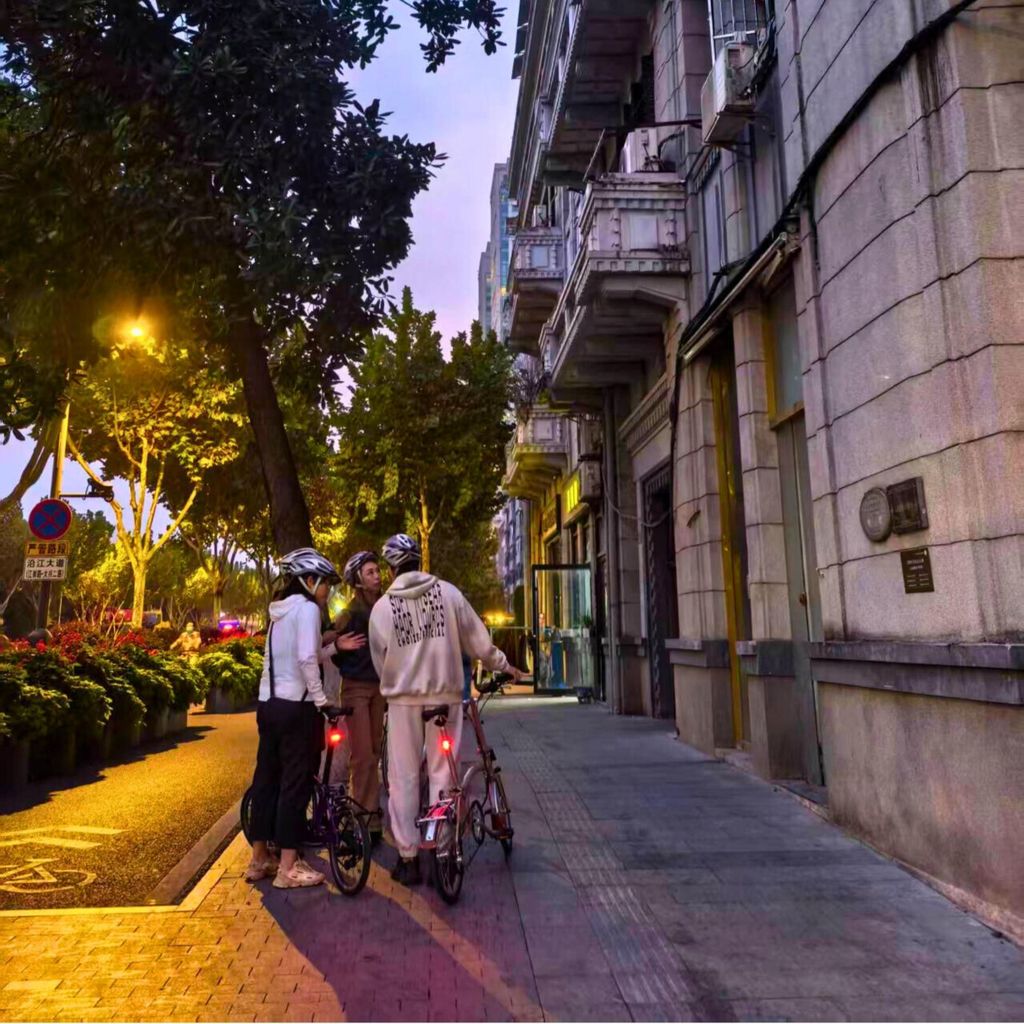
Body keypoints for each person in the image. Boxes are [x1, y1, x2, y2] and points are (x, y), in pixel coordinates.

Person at [369, 533, 523, 886]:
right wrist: (504, 665)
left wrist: (393, 684)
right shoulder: (449, 594)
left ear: (392, 569)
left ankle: (408, 857)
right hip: (446, 697)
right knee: (444, 771)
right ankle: (443, 847)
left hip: (403, 701)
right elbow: (479, 641)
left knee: (403, 777)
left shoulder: (382, 608)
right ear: (419, 562)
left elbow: (380, 659)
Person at [246, 547, 345, 890]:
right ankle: (288, 867)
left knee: (266, 781)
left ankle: (259, 858)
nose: (328, 590)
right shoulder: (307, 609)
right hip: (297, 709)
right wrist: (321, 701)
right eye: (325, 583)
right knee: (294, 785)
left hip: (269, 705)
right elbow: (306, 660)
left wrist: (336, 648)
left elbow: (293, 656)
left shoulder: (279, 611)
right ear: (309, 580)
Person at [324, 550, 385, 845]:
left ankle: (369, 815)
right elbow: (327, 639)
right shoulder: (349, 612)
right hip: (356, 688)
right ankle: (361, 819)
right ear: (358, 579)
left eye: (378, 571)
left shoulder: (385, 608)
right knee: (362, 755)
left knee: (374, 751)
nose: (377, 576)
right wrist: (339, 643)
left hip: (380, 688)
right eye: (370, 572)